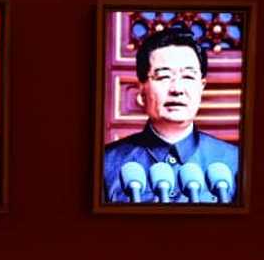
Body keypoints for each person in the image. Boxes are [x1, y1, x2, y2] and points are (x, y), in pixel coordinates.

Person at [102, 26, 239, 204]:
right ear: (141, 91)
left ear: (201, 87)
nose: (177, 89)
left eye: (188, 77)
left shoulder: (234, 161)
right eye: (164, 77)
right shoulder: (106, 163)